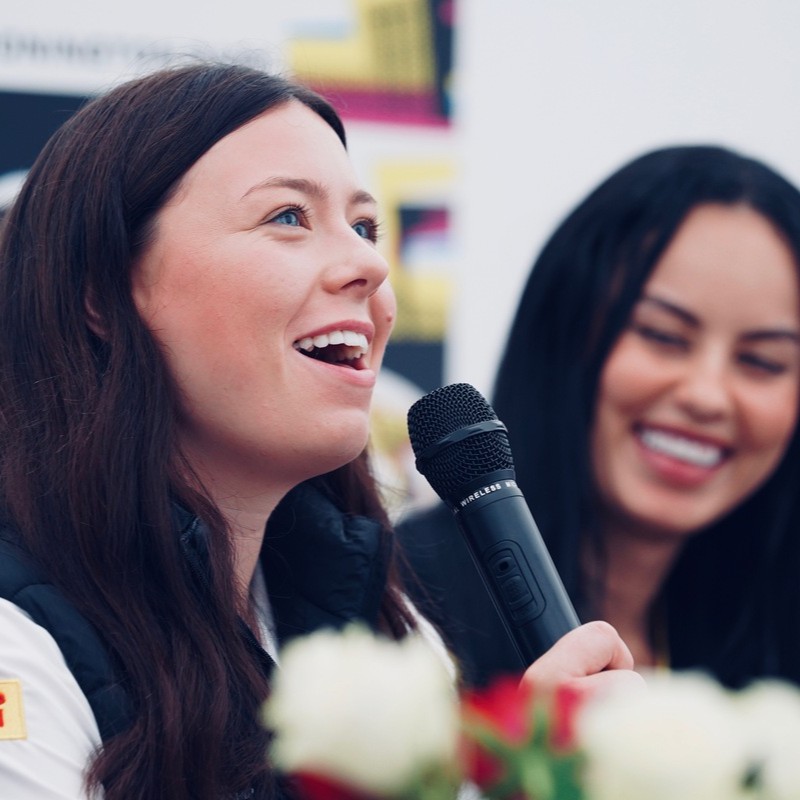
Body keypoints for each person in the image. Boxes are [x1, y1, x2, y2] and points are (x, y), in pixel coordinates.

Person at [0, 62, 639, 800]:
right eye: (288, 218)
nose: (368, 263)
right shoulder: (20, 640)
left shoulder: (379, 631)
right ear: (102, 296)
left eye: (366, 227)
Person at [398, 144, 800, 691]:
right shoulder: (399, 604)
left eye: (761, 361)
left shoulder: (771, 642)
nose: (708, 396)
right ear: (564, 334)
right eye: (662, 336)